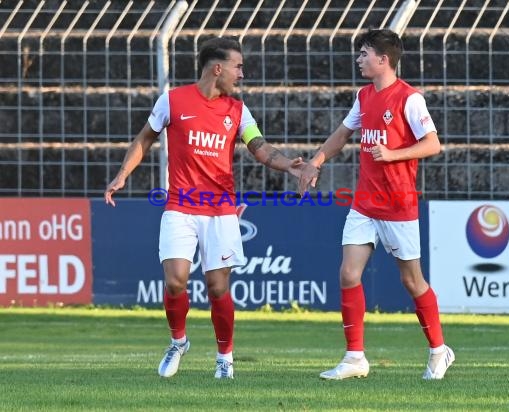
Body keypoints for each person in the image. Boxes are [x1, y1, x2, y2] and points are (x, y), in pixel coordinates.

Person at [105, 36, 318, 379]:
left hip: (219, 211)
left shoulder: (238, 110)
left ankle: (225, 358)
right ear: (217, 69)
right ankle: (178, 342)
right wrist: (121, 176)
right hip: (180, 206)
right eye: (238, 67)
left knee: (217, 287)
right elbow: (145, 137)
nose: (242, 74)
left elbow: (261, 148)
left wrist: (289, 165)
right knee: (175, 281)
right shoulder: (172, 101)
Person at [299, 28, 454, 380]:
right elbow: (342, 135)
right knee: (348, 273)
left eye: (364, 53)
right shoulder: (364, 95)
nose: (359, 59)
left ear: (383, 60)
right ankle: (355, 358)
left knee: (412, 282)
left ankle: (439, 350)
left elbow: (433, 144)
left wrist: (394, 154)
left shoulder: (409, 99)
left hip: (398, 205)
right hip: (365, 203)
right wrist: (315, 162)